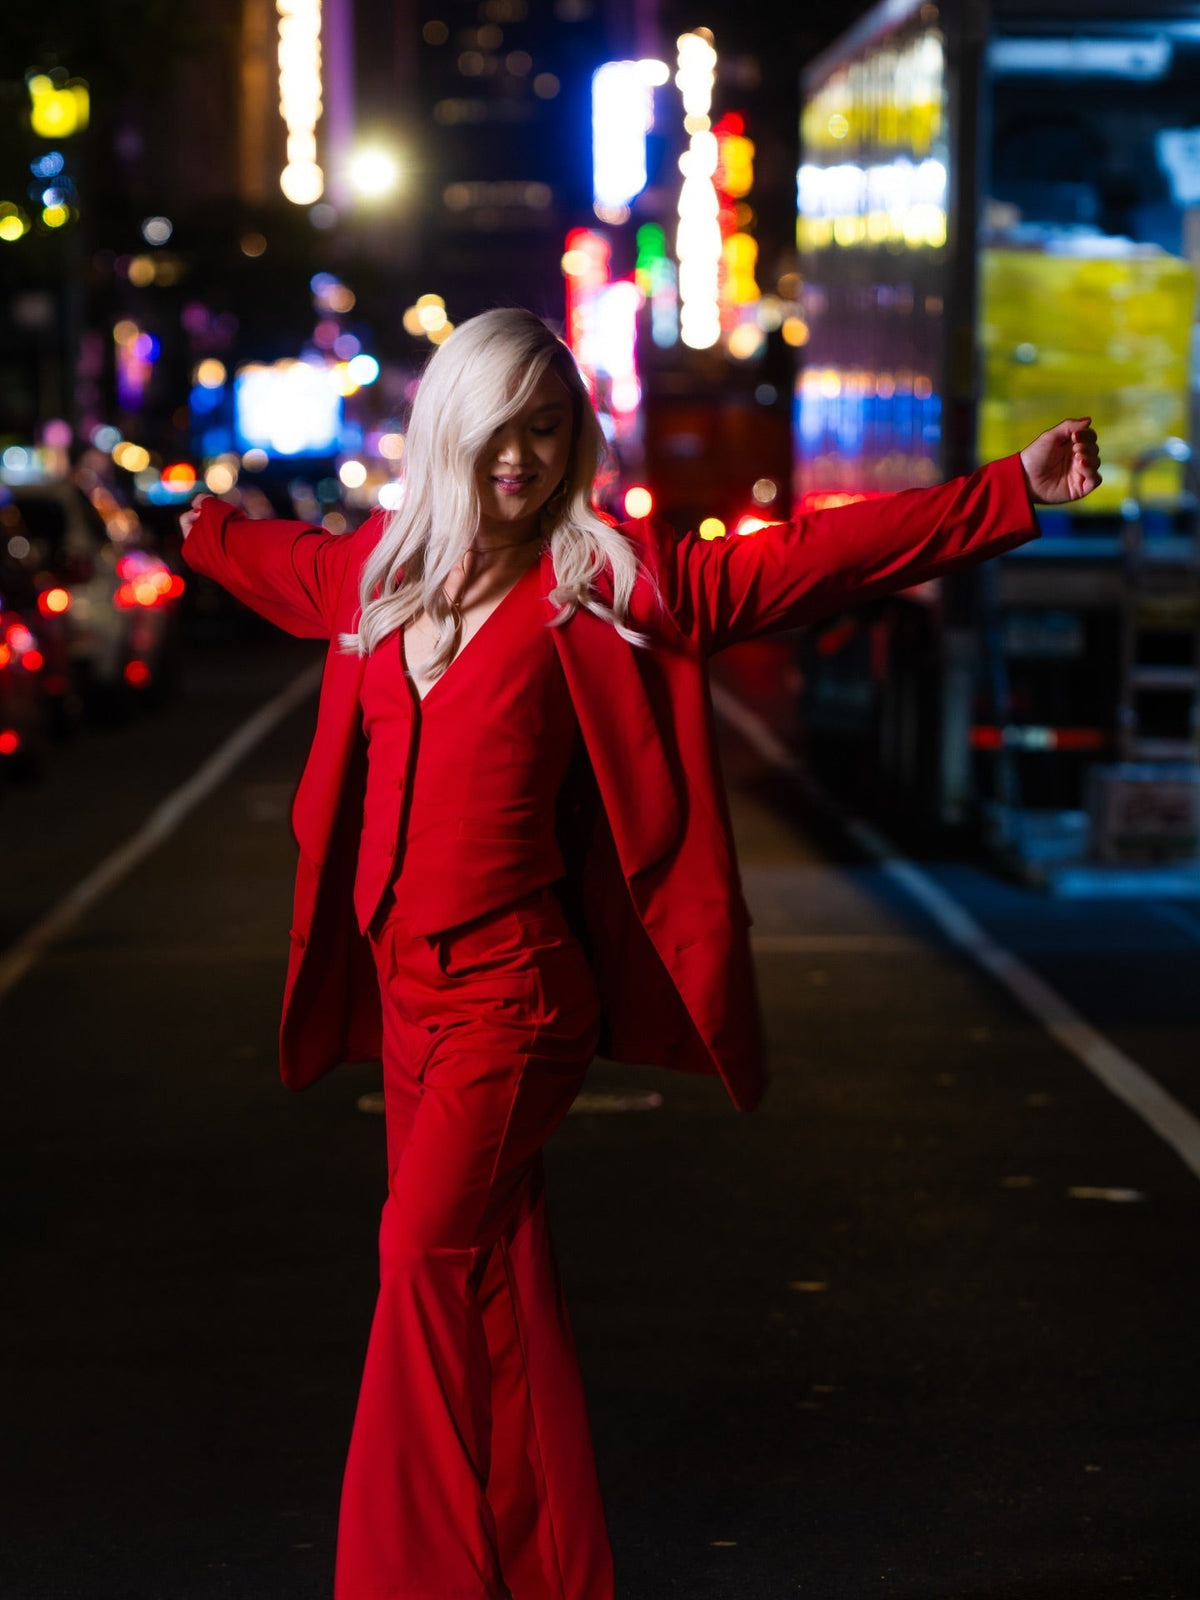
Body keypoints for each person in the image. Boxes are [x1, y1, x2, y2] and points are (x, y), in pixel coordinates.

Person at [179, 306, 1101, 1600]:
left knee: (422, 1257)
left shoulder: (597, 582)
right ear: (453, 428)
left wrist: (1009, 493)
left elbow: (807, 560)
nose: (523, 459)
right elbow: (268, 557)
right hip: (408, 999)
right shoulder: (378, 578)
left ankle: (407, 1581)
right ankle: (552, 1572)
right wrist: (203, 531)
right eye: (502, 430)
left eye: (549, 432)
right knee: (492, 1281)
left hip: (514, 998)